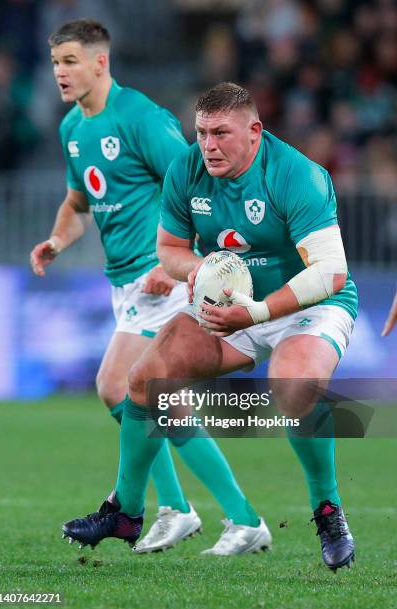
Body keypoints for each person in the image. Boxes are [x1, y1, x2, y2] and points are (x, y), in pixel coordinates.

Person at [66, 81, 358, 570]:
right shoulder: (187, 169)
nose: (209, 145)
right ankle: (126, 512)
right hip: (233, 304)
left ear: (254, 131)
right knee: (145, 378)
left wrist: (260, 312)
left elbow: (330, 272)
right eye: (201, 133)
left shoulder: (296, 174)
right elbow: (170, 251)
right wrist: (199, 272)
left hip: (305, 302)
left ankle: (327, 509)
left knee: (293, 387)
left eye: (221, 133)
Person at [30, 21, 270, 555]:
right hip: (124, 284)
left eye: (70, 61)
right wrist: (56, 239)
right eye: (54, 63)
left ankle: (158, 510)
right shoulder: (73, 129)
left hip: (158, 279)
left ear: (100, 62)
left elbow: (195, 187)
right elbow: (78, 204)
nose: (60, 73)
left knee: (117, 385)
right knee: (160, 405)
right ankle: (232, 516)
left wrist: (180, 264)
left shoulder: (140, 118)